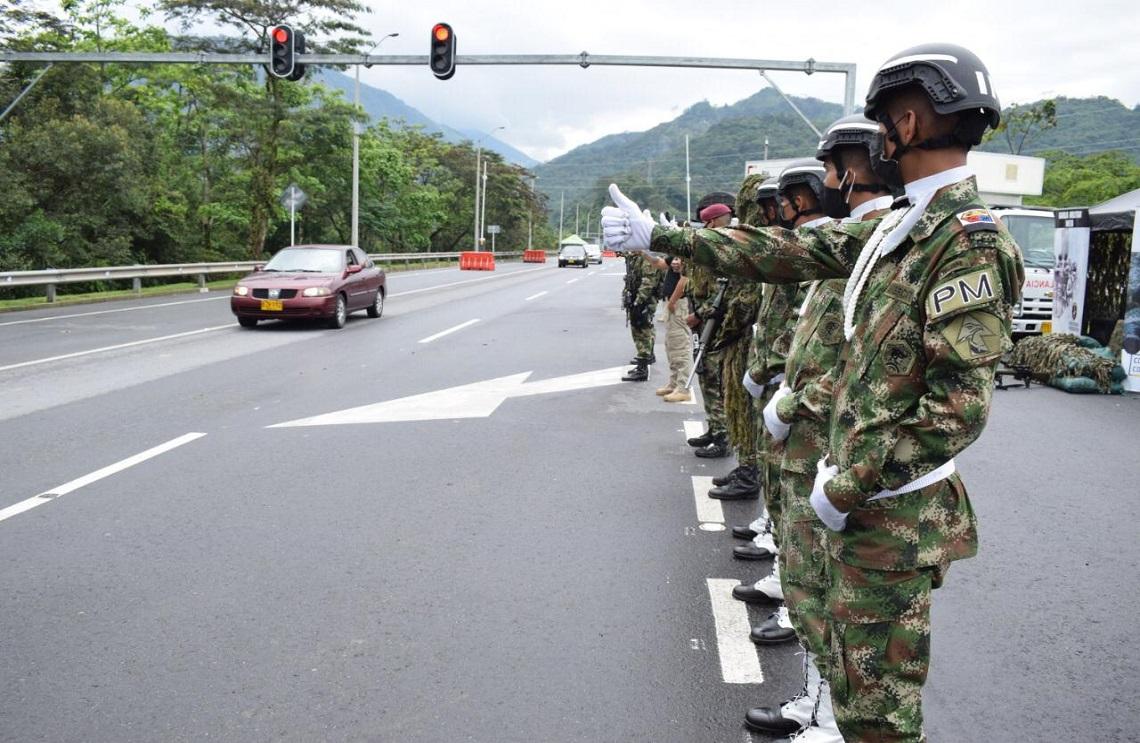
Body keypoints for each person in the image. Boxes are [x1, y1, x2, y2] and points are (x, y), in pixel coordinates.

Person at [602, 43, 1024, 743]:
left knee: (879, 716)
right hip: (863, 503)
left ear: (912, 123)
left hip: (893, 514)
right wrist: (663, 237)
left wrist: (850, 484)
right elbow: (785, 252)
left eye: (886, 124)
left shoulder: (965, 240)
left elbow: (959, 408)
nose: (880, 141)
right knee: (853, 691)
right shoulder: (902, 225)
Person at [745, 115, 894, 742]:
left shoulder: (879, 243)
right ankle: (817, 703)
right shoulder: (853, 239)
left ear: (850, 171)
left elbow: (862, 363)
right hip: (807, 437)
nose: (829, 182)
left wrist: (795, 399)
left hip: (829, 445)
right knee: (809, 587)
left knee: (831, 597)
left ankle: (831, 717)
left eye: (832, 169)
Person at [733, 160, 833, 652]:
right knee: (782, 495)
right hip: (784, 384)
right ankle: (785, 572)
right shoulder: (801, 247)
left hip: (803, 401)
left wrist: (776, 378)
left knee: (804, 518)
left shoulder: (828, 247)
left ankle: (794, 594)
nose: (778, 212)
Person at [685, 192, 744, 458]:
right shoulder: (711, 250)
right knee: (705, 377)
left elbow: (724, 295)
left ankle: (722, 437)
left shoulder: (723, 253)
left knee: (714, 382)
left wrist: (700, 315)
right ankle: (715, 427)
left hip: (715, 328)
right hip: (703, 325)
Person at [620, 250, 660, 382]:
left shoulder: (646, 257)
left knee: (641, 329)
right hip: (640, 297)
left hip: (644, 299)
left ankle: (642, 368)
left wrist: (639, 302)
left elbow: (648, 281)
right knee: (645, 327)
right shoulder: (637, 256)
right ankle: (646, 358)